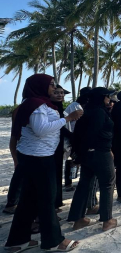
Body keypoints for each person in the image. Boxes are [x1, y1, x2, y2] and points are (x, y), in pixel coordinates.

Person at [5, 74, 82, 252]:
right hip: (38, 158)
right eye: (51, 84)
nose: (54, 87)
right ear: (39, 86)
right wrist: (68, 119)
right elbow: (40, 130)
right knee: (47, 199)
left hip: (34, 156)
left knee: (28, 200)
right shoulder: (36, 105)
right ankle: (54, 241)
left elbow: (48, 124)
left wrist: (64, 118)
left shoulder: (39, 103)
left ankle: (17, 241)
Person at [68, 87, 120, 232]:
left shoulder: (87, 111)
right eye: (107, 97)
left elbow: (78, 134)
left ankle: (78, 219)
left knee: (84, 184)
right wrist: (106, 149)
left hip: (87, 155)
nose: (109, 100)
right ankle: (107, 220)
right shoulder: (99, 112)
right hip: (100, 153)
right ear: (102, 98)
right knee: (107, 184)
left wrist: (80, 153)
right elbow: (94, 134)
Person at [63, 87, 92, 192]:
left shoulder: (85, 106)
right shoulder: (73, 106)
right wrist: (70, 136)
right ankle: (68, 183)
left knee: (78, 159)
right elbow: (65, 122)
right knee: (71, 160)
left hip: (80, 137)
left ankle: (74, 181)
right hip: (71, 136)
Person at [51, 85, 71, 211]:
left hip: (58, 145)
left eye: (62, 93)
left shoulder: (59, 108)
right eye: (56, 93)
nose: (60, 95)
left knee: (58, 174)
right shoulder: (50, 108)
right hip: (50, 146)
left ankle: (57, 202)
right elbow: (59, 127)